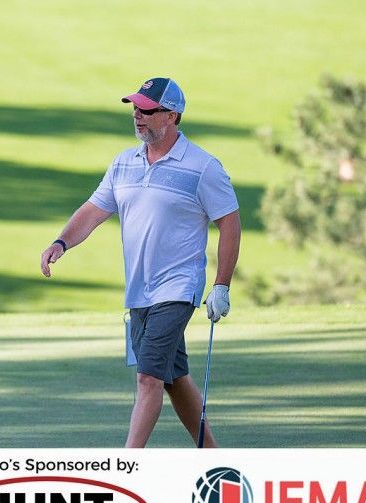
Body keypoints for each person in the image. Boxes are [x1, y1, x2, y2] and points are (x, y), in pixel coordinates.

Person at [39, 77, 240, 448]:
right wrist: (61, 242)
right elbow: (94, 210)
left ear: (172, 116)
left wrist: (221, 284)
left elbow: (229, 221)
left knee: (147, 378)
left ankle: (127, 467)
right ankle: (212, 455)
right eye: (135, 108)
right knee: (173, 377)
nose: (138, 116)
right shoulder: (123, 163)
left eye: (148, 110)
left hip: (177, 288)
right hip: (138, 291)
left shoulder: (202, 167)